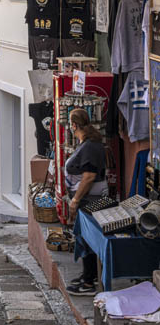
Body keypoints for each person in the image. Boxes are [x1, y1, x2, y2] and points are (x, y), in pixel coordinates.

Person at [65, 107, 108, 296]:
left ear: (74, 125)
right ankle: (87, 276)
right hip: (86, 199)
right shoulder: (88, 143)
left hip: (89, 200)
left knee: (88, 239)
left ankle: (89, 282)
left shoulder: (90, 146)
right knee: (84, 238)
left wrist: (75, 200)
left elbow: (89, 177)